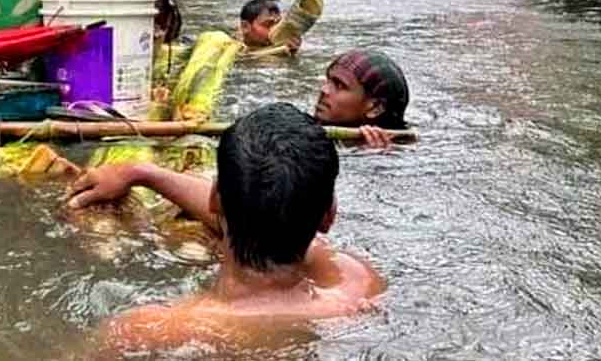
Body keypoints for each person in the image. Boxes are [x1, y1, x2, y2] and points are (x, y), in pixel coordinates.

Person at [82, 104, 385, 356]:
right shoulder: (357, 290)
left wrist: (140, 171)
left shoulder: (147, 330)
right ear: (329, 217)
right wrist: (144, 173)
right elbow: (269, 213)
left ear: (214, 197)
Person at [69, 48, 409, 221]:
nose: (322, 91)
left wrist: (369, 157)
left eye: (339, 86)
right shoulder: (297, 132)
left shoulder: (385, 153)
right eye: (326, 79)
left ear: (375, 109)